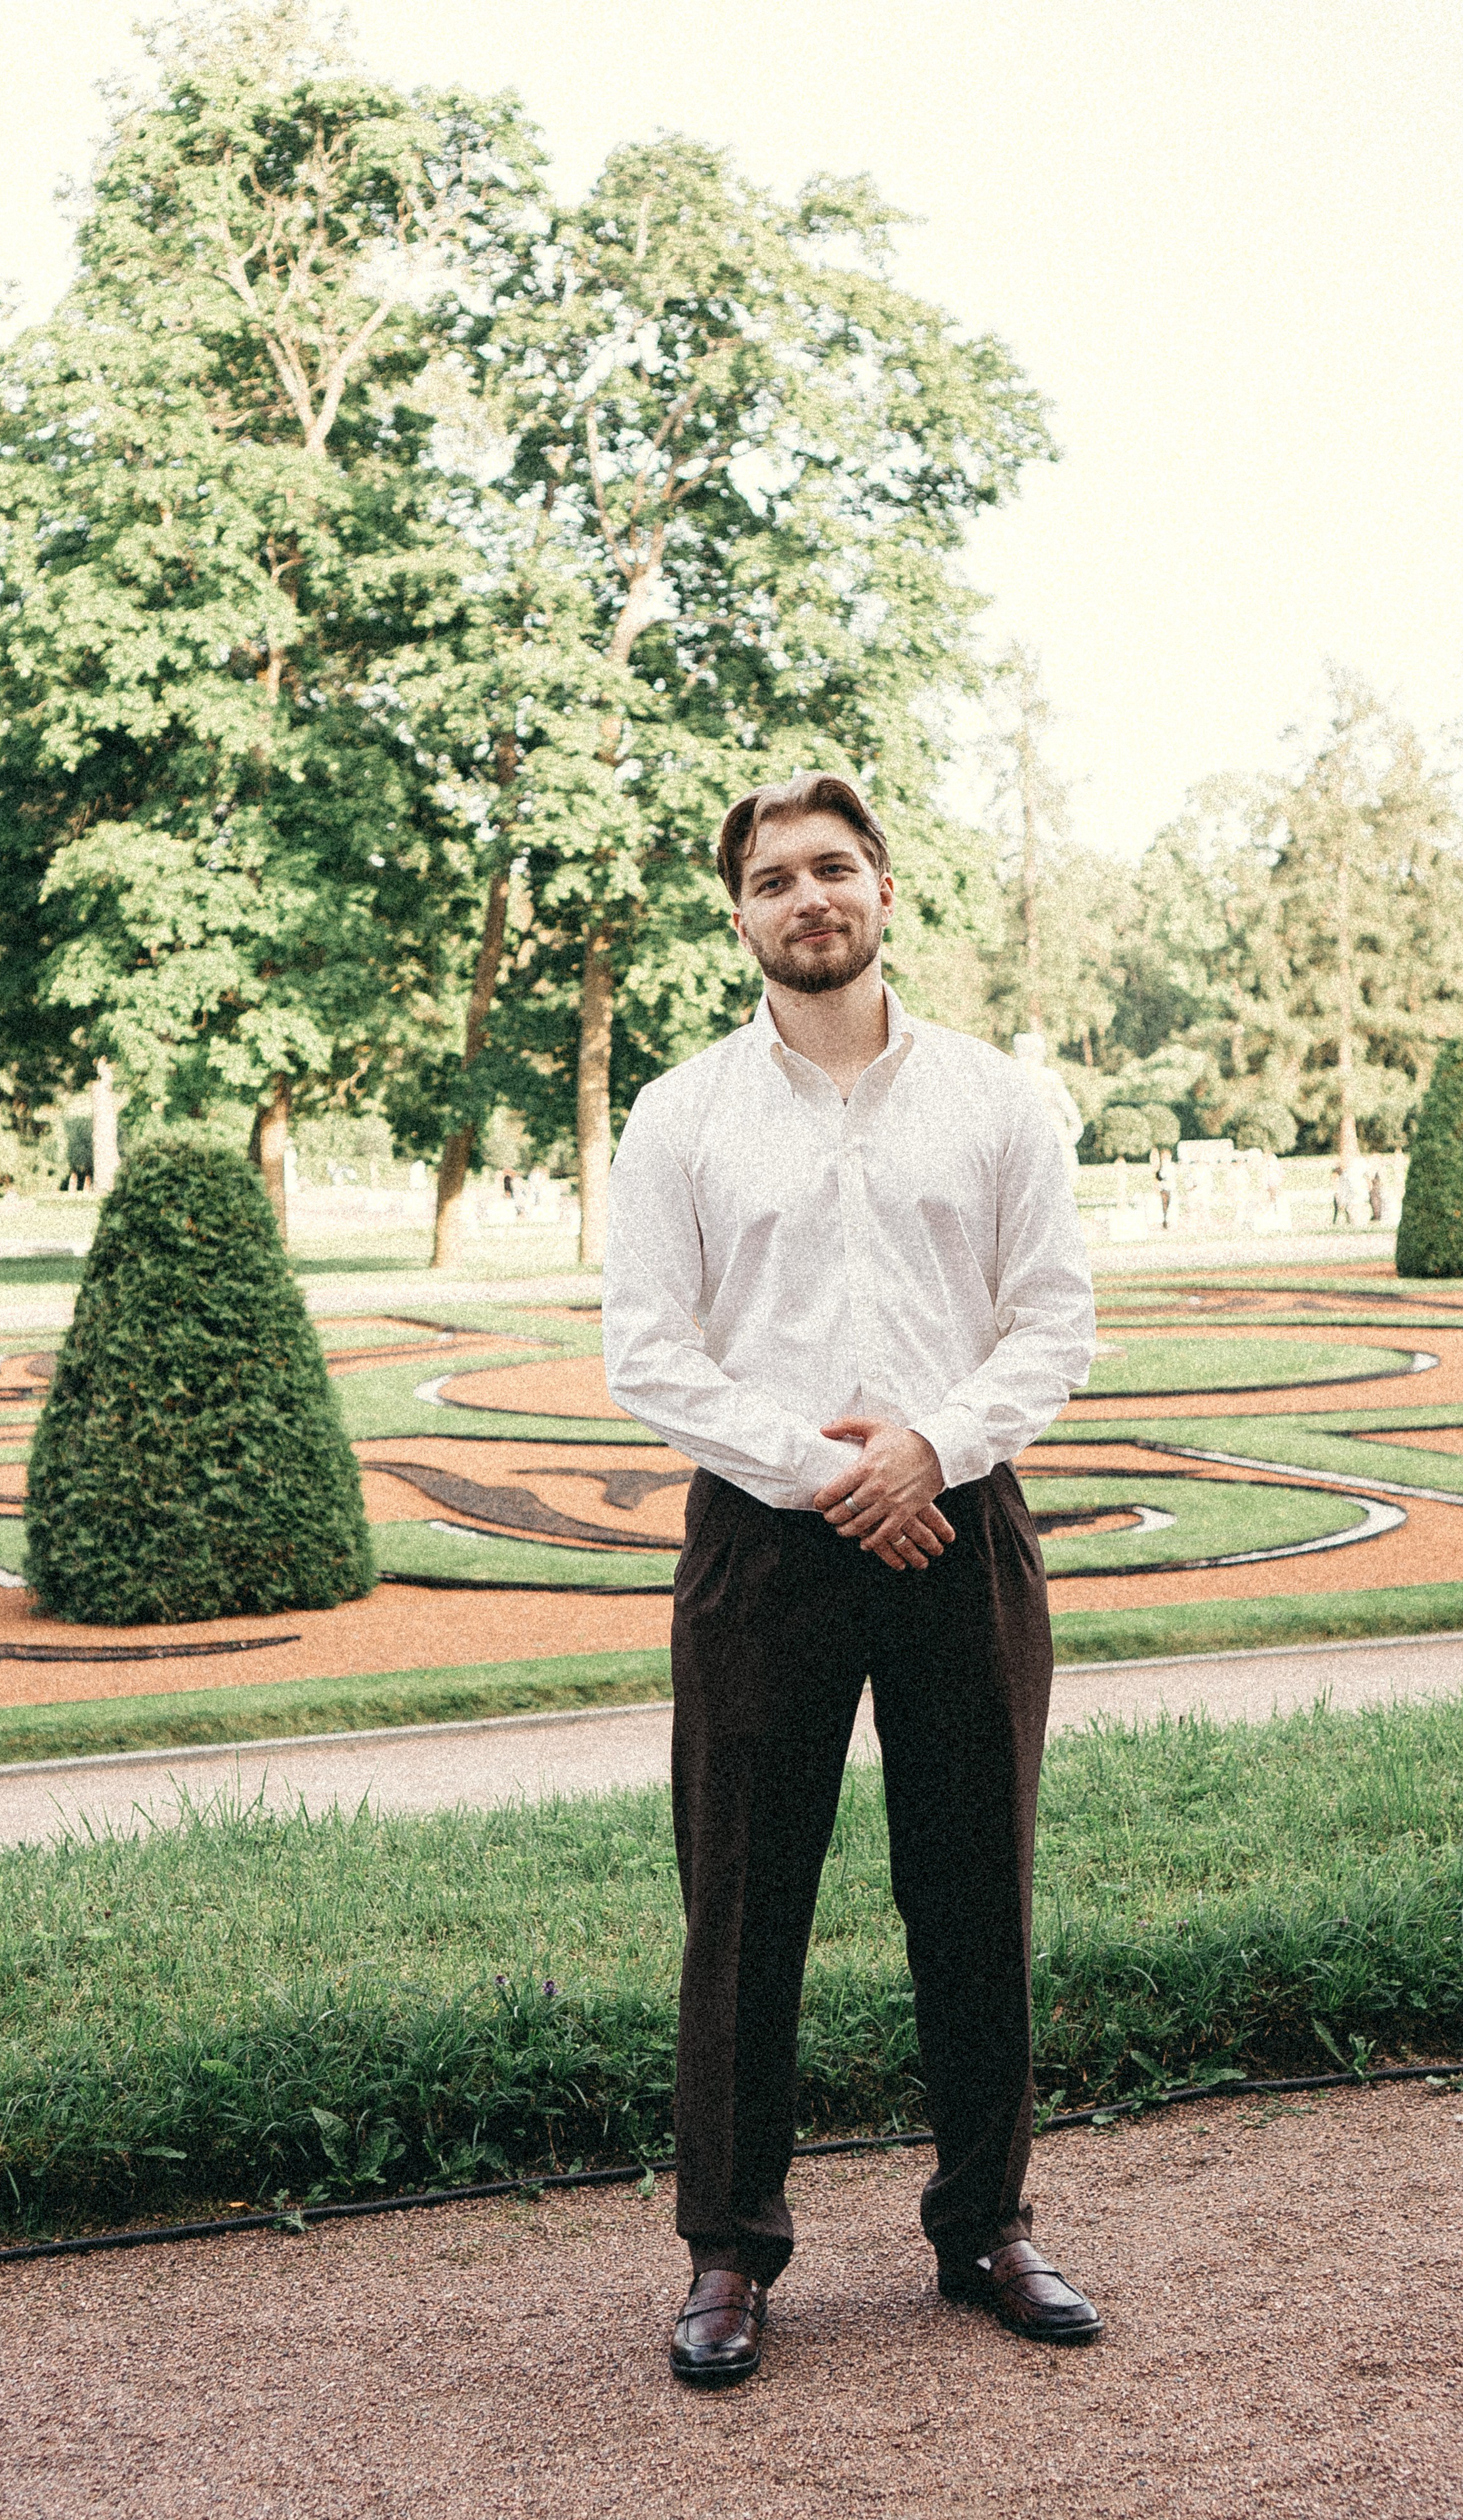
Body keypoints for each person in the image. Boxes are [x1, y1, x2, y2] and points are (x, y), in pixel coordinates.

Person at [604, 772, 1101, 2389]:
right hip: (763, 1539)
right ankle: (729, 2253)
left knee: (975, 1883)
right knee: (742, 1900)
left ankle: (985, 2225)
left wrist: (925, 1453)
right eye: (771, 878)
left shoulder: (998, 1100)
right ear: (736, 913)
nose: (805, 898)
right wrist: (832, 1471)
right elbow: (647, 1354)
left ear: (883, 889)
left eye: (833, 868)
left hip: (959, 1526)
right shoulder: (680, 1113)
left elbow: (1050, 1324)